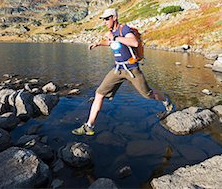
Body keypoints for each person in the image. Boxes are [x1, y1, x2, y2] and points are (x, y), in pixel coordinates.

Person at [72, 8, 174, 136]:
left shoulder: (124, 29)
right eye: (103, 19)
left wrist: (115, 37)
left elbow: (134, 43)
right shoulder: (111, 32)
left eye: (106, 18)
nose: (104, 21)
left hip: (132, 69)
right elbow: (111, 43)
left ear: (114, 18)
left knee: (148, 95)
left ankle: (166, 100)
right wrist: (98, 43)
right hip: (118, 69)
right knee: (99, 93)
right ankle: (89, 126)